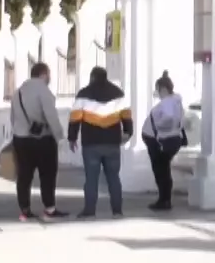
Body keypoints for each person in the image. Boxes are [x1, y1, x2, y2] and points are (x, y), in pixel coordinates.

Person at [68, 67, 134, 217]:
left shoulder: (83, 94)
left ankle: (89, 210)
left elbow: (75, 118)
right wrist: (128, 132)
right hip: (112, 143)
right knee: (113, 177)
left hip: (91, 143)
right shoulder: (118, 93)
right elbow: (127, 116)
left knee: (91, 178)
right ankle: (117, 210)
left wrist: (72, 138)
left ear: (92, 77)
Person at [9, 62, 67, 221]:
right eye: (49, 74)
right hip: (43, 140)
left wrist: (18, 131)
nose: (50, 78)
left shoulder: (18, 92)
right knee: (47, 174)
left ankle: (25, 210)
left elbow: (13, 117)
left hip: (20, 139)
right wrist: (59, 136)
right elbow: (51, 115)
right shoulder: (43, 91)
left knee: (24, 175)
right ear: (43, 74)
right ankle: (49, 208)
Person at [141, 71, 186, 212]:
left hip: (160, 141)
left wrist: (159, 127)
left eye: (158, 89)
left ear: (164, 89)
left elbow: (169, 118)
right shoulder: (176, 101)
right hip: (165, 140)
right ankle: (164, 199)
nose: (158, 93)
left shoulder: (168, 102)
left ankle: (164, 200)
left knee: (161, 170)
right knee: (164, 169)